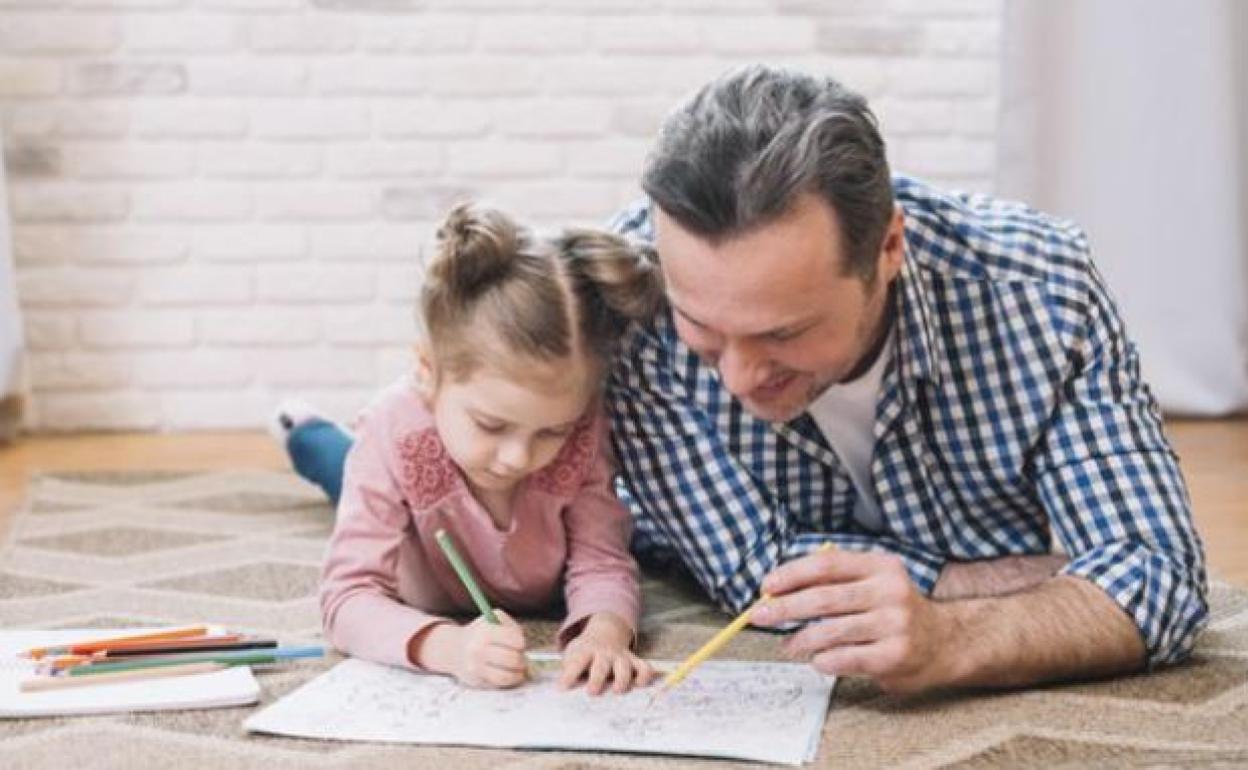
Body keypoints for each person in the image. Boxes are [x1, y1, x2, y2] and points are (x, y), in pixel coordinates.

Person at [605, 63, 1207, 693]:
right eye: (699, 325)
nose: (737, 377)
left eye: (783, 334)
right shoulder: (626, 296)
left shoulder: (1042, 293)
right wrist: (1032, 580)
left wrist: (955, 635)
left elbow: (1158, 576)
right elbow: (752, 569)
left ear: (888, 248)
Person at [299, 202, 662, 694]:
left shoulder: (581, 427)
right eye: (491, 425)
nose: (517, 458)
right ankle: (308, 432)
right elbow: (346, 599)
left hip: (504, 564)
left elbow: (602, 558)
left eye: (550, 432)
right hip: (394, 493)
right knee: (341, 467)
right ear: (427, 372)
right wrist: (447, 647)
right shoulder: (392, 427)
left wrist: (605, 632)